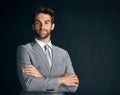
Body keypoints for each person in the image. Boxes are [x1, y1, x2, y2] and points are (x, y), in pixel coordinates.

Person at [17, 6, 79, 95]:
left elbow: (73, 87)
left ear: (52, 26)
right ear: (33, 26)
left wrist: (41, 77)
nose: (42, 27)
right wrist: (62, 80)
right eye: (38, 23)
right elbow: (28, 85)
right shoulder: (24, 49)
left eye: (46, 22)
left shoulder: (63, 53)